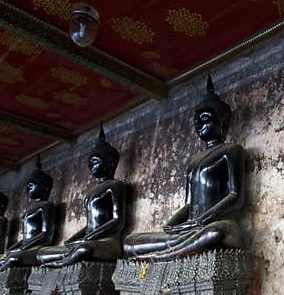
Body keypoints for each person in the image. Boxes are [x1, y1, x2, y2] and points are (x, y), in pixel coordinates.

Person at [123, 75, 245, 261]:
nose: (198, 124)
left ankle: (161, 256)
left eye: (204, 119)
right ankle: (173, 249)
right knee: (130, 242)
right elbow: (189, 204)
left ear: (222, 122)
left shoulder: (231, 151)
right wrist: (171, 225)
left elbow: (235, 196)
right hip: (189, 229)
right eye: (196, 120)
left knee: (215, 232)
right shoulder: (193, 161)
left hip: (217, 224)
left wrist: (202, 220)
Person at [36, 125, 126, 267]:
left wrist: (89, 237)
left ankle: (61, 264)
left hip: (108, 240)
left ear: (111, 163)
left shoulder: (115, 186)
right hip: (91, 238)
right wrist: (74, 239)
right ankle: (66, 259)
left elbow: (117, 220)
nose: (91, 166)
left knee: (84, 248)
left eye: (95, 161)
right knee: (54, 251)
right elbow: (89, 225)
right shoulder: (91, 192)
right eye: (89, 163)